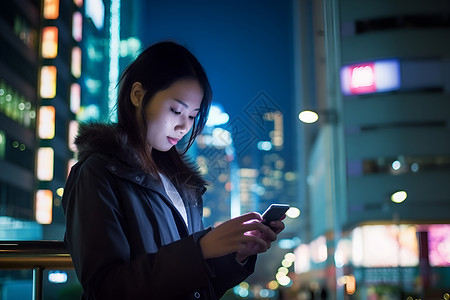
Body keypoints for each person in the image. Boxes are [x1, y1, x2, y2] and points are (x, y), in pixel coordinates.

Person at [62, 41, 286, 300]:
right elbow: (106, 288)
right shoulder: (97, 174)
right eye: (176, 110)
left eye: (192, 116)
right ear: (137, 95)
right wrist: (200, 249)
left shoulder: (182, 184)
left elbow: (197, 289)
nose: (183, 126)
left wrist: (237, 254)